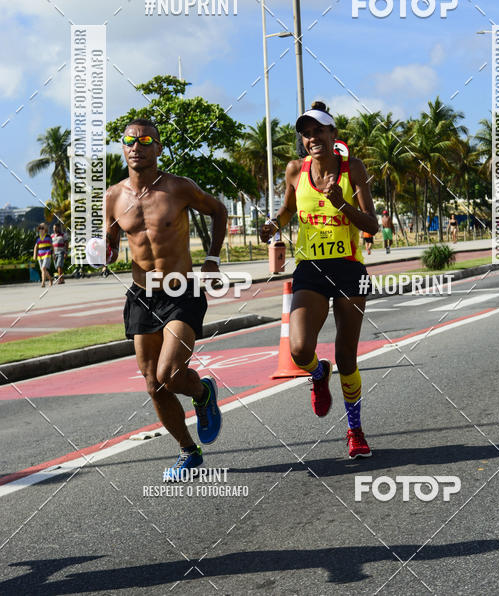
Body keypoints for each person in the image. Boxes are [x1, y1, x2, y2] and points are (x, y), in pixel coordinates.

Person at [98, 119, 228, 480]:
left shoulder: (178, 188)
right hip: (142, 296)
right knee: (152, 383)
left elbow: (218, 210)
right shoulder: (113, 197)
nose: (136, 146)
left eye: (145, 141)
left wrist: (213, 259)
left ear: (158, 148)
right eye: (129, 141)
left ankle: (201, 393)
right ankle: (189, 451)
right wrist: (105, 251)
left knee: (170, 375)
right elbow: (110, 242)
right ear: (123, 148)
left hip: (180, 289)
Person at [260, 101, 378, 459]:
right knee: (298, 350)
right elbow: (287, 210)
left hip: (348, 267)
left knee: (347, 355)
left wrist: (341, 204)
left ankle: (354, 430)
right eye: (306, 134)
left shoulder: (352, 168)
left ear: (333, 134)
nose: (312, 138)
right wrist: (273, 225)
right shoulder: (296, 170)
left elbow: (371, 225)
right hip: (311, 268)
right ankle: (317, 373)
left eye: (318, 132)